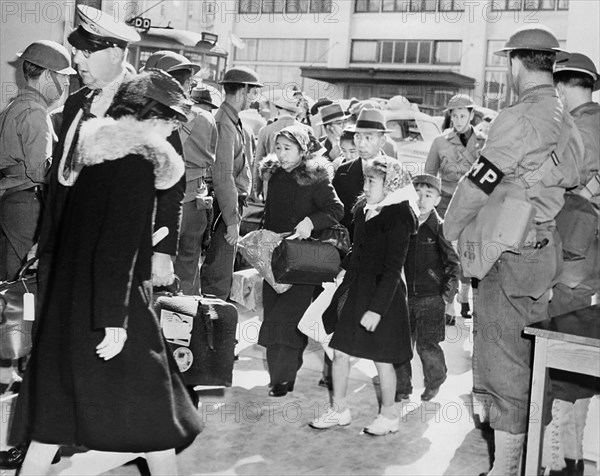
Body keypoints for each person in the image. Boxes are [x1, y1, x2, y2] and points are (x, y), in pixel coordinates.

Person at [10, 69, 202, 476]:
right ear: (152, 118)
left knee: (51, 423)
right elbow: (113, 250)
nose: (172, 131)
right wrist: (114, 320)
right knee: (157, 420)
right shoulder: (137, 164)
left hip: (71, 305)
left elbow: (83, 235)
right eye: (171, 121)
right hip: (114, 308)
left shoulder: (96, 156)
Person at [443, 26, 583, 476]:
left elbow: (482, 179)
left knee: (502, 359)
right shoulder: (564, 115)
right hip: (543, 247)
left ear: (515, 63)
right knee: (527, 354)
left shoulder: (518, 116)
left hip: (509, 249)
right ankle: (540, 457)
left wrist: (452, 225)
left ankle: (506, 468)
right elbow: (577, 175)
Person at [0, 40, 74, 467]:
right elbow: (45, 177)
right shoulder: (36, 115)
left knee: (17, 318)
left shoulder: (14, 108)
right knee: (27, 322)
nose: (62, 86)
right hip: (29, 211)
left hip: (14, 208)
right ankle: (26, 436)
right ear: (44, 76)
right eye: (61, 79)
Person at [310, 156, 419, 435]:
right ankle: (339, 410)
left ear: (390, 184)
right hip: (357, 291)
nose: (366, 185)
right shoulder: (363, 210)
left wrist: (377, 310)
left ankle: (389, 415)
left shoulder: (399, 217)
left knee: (382, 359)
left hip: (384, 297)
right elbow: (358, 249)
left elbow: (394, 270)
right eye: (366, 180)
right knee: (340, 352)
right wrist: (343, 271)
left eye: (372, 181)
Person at [542, 52, 600, 476]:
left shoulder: (578, 129)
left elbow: (556, 186)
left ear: (562, 87)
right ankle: (574, 457)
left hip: (574, 259)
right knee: (581, 362)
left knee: (561, 357)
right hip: (591, 262)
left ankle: (561, 462)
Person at [257, 125, 343, 397]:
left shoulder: (315, 178)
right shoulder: (274, 175)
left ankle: (284, 378)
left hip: (304, 261)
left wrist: (310, 222)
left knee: (290, 317)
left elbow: (336, 209)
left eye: (287, 148)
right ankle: (277, 376)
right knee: (272, 316)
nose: (281, 154)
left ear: (303, 150)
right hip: (275, 257)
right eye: (278, 147)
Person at [394, 174, 460, 403]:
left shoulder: (440, 229)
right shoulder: (402, 225)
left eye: (428, 195)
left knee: (427, 346)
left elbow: (453, 264)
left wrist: (446, 297)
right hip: (402, 297)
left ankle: (435, 379)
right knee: (400, 345)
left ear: (438, 199)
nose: (421, 200)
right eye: (417, 194)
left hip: (431, 298)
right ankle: (402, 388)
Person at [200, 66, 262, 300]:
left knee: (221, 271)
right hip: (223, 208)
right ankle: (211, 330)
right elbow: (223, 176)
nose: (253, 98)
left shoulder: (233, 121)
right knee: (218, 276)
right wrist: (232, 220)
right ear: (243, 90)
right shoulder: (225, 124)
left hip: (228, 206)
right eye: (253, 92)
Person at [425, 94, 486, 323]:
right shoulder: (440, 142)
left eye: (463, 115)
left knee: (471, 252)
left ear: (471, 115)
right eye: (455, 115)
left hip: (473, 205)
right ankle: (447, 305)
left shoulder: (483, 142)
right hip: (446, 203)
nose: (458, 120)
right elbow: (429, 175)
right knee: (447, 254)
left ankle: (467, 298)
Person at [174, 85, 219, 295]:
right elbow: (212, 154)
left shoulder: (168, 114)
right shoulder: (208, 119)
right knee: (189, 262)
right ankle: (185, 316)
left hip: (168, 194)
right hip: (196, 196)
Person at [254, 93, 310, 199]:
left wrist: (257, 189)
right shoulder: (305, 130)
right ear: (294, 112)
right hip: (298, 185)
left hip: (271, 184)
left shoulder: (265, 131)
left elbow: (258, 161)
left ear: (279, 109)